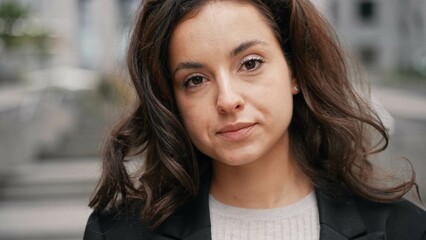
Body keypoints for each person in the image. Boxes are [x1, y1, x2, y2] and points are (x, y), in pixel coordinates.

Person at [83, 0, 426, 239]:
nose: (228, 100)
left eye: (250, 63)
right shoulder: (117, 233)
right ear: (172, 102)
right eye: (195, 80)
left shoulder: (403, 229)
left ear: (295, 70)